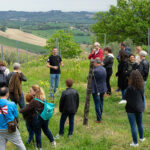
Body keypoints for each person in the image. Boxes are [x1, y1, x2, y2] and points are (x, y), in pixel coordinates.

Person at [20, 85, 56, 150]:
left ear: (35, 92)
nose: (29, 92)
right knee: (46, 130)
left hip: (38, 119)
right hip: (45, 118)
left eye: (31, 91)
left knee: (37, 133)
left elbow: (26, 109)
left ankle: (40, 148)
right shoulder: (43, 98)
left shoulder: (34, 101)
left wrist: (20, 110)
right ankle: (53, 142)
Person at [125, 70, 145, 147]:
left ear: (131, 78)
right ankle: (142, 138)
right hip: (140, 107)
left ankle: (135, 143)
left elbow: (126, 96)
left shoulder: (130, 88)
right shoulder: (142, 86)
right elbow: (142, 96)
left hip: (131, 109)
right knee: (140, 124)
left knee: (133, 125)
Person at [92, 58, 107, 123]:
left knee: (97, 103)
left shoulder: (95, 71)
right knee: (101, 102)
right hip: (103, 88)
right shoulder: (104, 69)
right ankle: (100, 114)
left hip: (96, 89)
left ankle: (98, 118)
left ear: (95, 63)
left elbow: (89, 78)